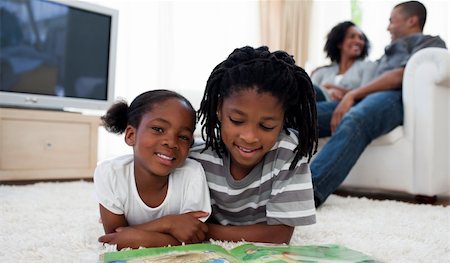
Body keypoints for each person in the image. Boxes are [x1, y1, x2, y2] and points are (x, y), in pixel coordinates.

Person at [311, 1, 447, 207]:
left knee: (355, 118)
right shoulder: (386, 54)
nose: (388, 27)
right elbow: (370, 87)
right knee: (305, 115)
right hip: (367, 99)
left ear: (412, 20)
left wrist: (353, 95)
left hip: (393, 99)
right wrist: (347, 94)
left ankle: (307, 193)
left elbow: (399, 75)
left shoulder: (428, 43)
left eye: (392, 21)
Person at [189, 46, 318, 244]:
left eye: (267, 126)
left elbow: (279, 235)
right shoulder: (197, 157)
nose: (249, 137)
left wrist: (203, 231)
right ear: (218, 110)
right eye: (236, 120)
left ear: (283, 121)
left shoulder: (288, 152)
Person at [94, 90, 211, 250]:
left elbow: (193, 236)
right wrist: (169, 223)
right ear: (131, 135)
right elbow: (113, 237)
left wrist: (138, 237)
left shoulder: (192, 174)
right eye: (158, 129)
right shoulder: (110, 173)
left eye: (183, 137)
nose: (171, 142)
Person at [311, 21, 376, 101]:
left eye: (361, 38)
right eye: (352, 37)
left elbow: (366, 94)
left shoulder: (369, 66)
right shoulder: (321, 71)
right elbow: (308, 92)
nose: (358, 41)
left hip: (347, 108)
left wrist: (330, 86)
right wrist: (328, 91)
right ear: (339, 43)